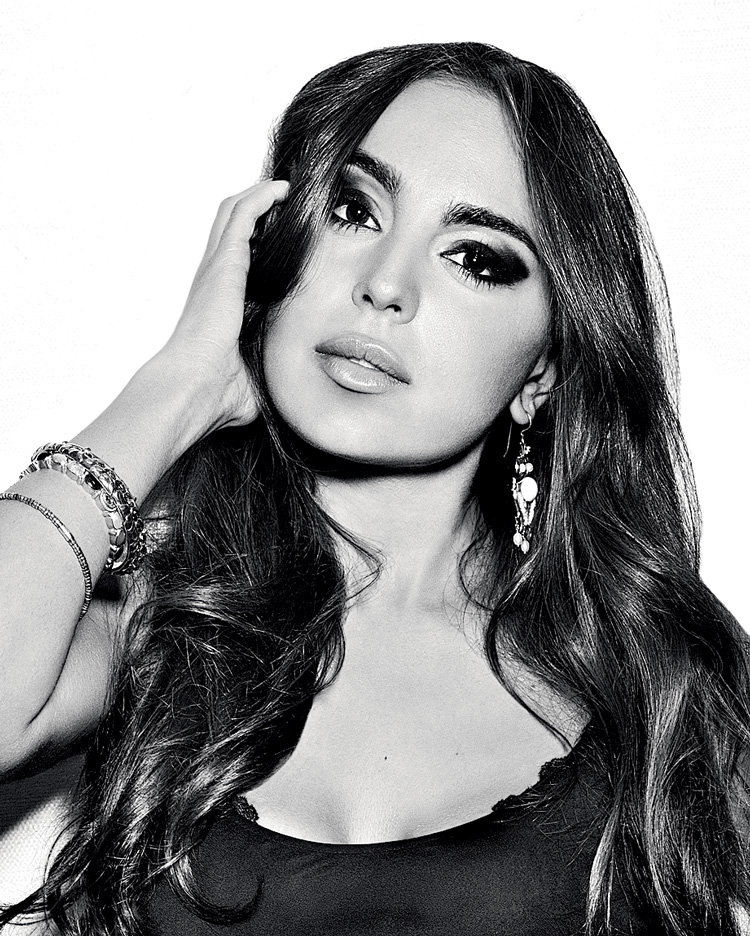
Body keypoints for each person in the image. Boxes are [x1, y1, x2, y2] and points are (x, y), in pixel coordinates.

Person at [0, 41, 748, 936]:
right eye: (354, 210)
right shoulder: (161, 632)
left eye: (475, 257)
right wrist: (178, 387)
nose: (385, 285)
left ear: (541, 371)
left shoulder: (657, 672)